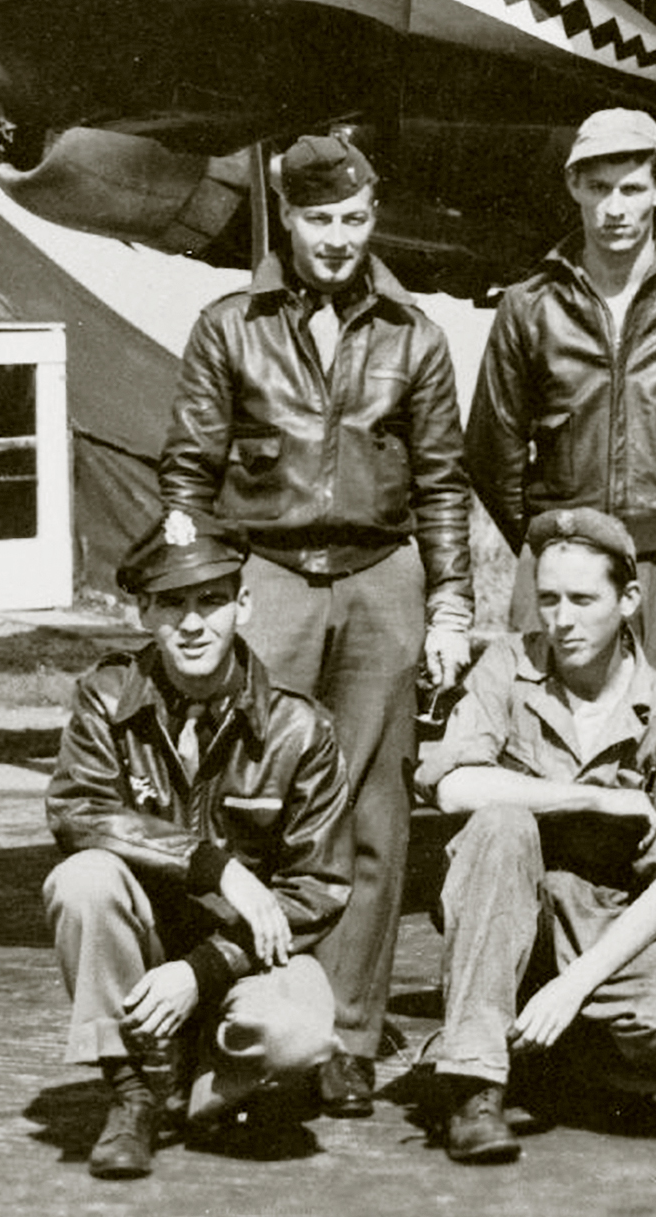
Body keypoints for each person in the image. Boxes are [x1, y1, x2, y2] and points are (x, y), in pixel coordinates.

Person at [157, 132, 471, 1118]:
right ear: (285, 221)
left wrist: (453, 600)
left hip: (382, 579)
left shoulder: (414, 333)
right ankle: (235, 1011)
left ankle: (349, 1037)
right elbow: (188, 474)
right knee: (247, 805)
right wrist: (199, 589)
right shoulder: (228, 325)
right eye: (319, 220)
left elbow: (443, 485)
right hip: (270, 574)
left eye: (355, 220)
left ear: (374, 219)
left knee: (375, 818)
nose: (338, 240)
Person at [465, 105, 656, 872]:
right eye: (599, 186)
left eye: (632, 187)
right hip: (560, 565)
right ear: (573, 186)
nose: (615, 208)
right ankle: (542, 945)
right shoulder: (529, 304)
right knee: (539, 743)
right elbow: (491, 448)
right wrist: (555, 550)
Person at [43, 511, 352, 1179]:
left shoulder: (300, 728)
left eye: (211, 599)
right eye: (172, 603)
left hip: (244, 954)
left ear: (243, 603)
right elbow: (77, 810)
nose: (192, 623)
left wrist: (204, 970)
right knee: (83, 880)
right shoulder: (104, 699)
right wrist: (215, 864)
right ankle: (131, 1093)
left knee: (300, 1031)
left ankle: (194, 1087)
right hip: (145, 940)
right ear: (143, 612)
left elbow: (318, 886)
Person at [414, 507, 656, 1163]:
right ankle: (474, 1084)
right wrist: (591, 796)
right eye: (548, 598)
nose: (563, 618)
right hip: (504, 905)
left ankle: (552, 1059)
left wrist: (574, 985)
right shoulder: (506, 666)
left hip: (600, 921)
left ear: (628, 599)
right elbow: (451, 785)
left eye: (584, 599)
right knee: (501, 820)